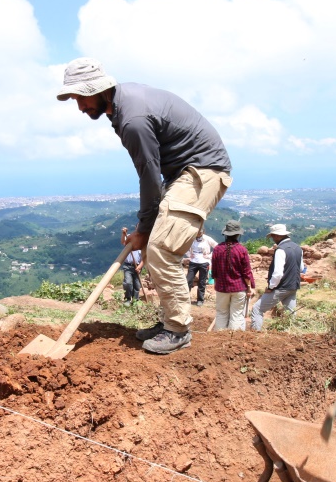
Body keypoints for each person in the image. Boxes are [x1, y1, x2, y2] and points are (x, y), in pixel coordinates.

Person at [57, 58, 232, 355]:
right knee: (154, 245)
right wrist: (145, 229)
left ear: (99, 89)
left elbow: (148, 175)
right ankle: (169, 322)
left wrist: (144, 227)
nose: (80, 107)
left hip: (203, 172)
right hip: (183, 174)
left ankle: (177, 330)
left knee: (161, 246)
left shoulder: (132, 119)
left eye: (81, 97)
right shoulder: (122, 104)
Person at [251, 224, 302, 330]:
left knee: (257, 309)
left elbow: (278, 273)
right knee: (290, 314)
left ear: (278, 236)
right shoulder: (298, 248)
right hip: (293, 286)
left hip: (281, 287)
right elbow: (301, 268)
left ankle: (255, 335)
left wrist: (271, 287)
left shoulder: (281, 250)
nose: (273, 239)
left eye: (273, 236)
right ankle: (293, 335)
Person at [210, 220, 254, 330]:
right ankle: (233, 340)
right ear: (238, 234)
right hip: (238, 288)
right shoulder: (241, 250)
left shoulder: (217, 249)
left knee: (221, 314)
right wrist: (249, 287)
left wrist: (217, 285)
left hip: (222, 288)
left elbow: (214, 271)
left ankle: (219, 337)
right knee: (237, 315)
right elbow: (246, 272)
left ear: (225, 234)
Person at [186, 230, 217, 304]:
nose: (199, 233)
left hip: (204, 261)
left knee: (202, 281)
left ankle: (200, 299)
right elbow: (185, 246)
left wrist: (209, 256)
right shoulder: (191, 238)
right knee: (188, 280)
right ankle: (185, 298)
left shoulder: (207, 238)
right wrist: (189, 254)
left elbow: (217, 246)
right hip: (193, 261)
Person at [120, 226, 144, 303]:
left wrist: (140, 267)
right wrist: (124, 234)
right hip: (128, 265)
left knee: (137, 285)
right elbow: (123, 242)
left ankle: (135, 300)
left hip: (137, 266)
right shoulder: (130, 237)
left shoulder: (144, 241)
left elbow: (144, 257)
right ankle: (127, 298)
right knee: (128, 282)